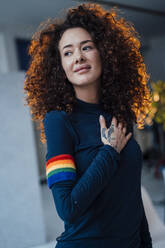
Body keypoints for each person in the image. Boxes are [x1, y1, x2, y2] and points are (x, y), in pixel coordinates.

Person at [24, 3, 153, 248]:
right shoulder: (58, 121)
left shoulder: (120, 114)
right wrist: (108, 153)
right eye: (68, 52)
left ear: (104, 52)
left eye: (86, 47)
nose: (79, 57)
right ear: (59, 66)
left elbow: (132, 197)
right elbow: (67, 208)